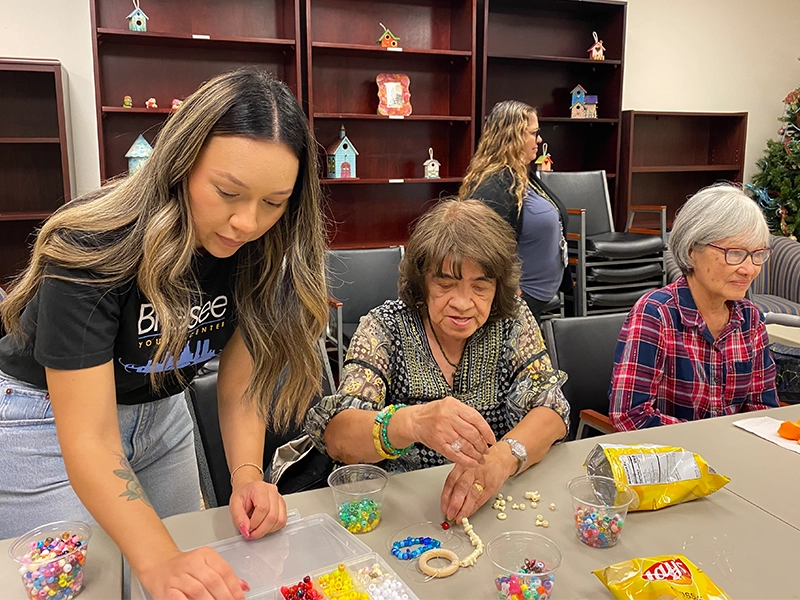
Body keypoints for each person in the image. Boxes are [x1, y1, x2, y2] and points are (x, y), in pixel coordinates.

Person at [0, 68, 328, 600]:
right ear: (180, 163)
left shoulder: (263, 255)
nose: (246, 222)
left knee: (181, 576)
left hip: (161, 409)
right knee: (85, 586)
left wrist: (248, 475)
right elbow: (89, 438)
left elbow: (242, 386)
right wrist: (157, 560)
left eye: (273, 202)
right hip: (44, 420)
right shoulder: (95, 246)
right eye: (227, 192)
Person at [305, 199, 570, 522]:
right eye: (445, 284)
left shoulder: (512, 320)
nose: (462, 303)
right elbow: (337, 437)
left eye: (480, 286)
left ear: (498, 286)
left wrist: (501, 460)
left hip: (494, 506)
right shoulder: (385, 328)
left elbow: (552, 410)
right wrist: (411, 422)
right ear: (422, 282)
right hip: (402, 513)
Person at [609, 184, 779, 431]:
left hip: (733, 456)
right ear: (692, 251)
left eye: (758, 254)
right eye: (735, 253)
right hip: (670, 458)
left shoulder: (750, 319)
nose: (749, 268)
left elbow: (762, 410)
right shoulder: (656, 314)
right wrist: (711, 438)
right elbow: (630, 415)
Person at [461, 100, 571, 322]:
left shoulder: (522, 175)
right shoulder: (494, 184)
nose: (539, 139)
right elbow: (483, 247)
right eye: (533, 133)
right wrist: (511, 293)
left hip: (534, 303)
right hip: (516, 305)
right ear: (512, 137)